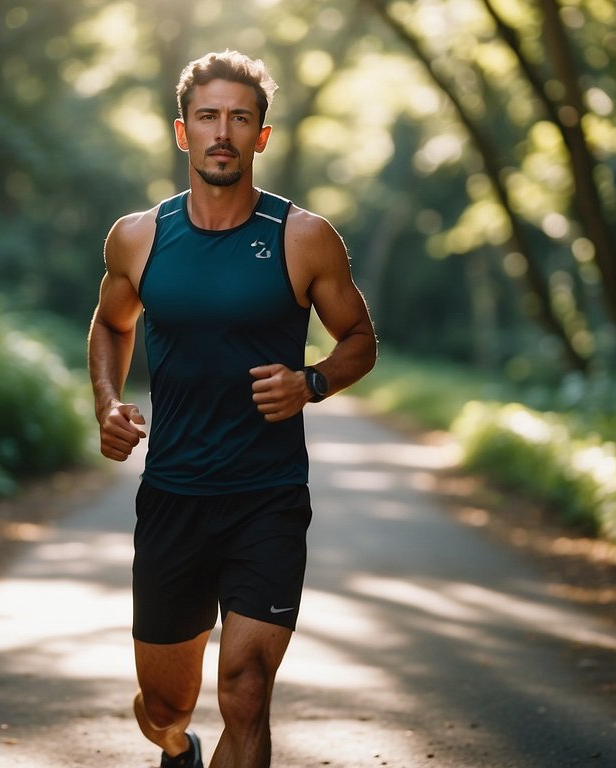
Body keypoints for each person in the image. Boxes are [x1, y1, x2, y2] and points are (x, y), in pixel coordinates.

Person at [87, 50, 377, 768]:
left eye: (239, 119)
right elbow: (111, 323)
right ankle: (175, 746)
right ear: (182, 133)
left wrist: (310, 382)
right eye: (208, 117)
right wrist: (106, 405)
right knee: (164, 707)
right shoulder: (139, 236)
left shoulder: (303, 236)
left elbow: (360, 339)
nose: (223, 132)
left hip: (267, 500)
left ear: (261, 137)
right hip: (173, 498)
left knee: (245, 691)